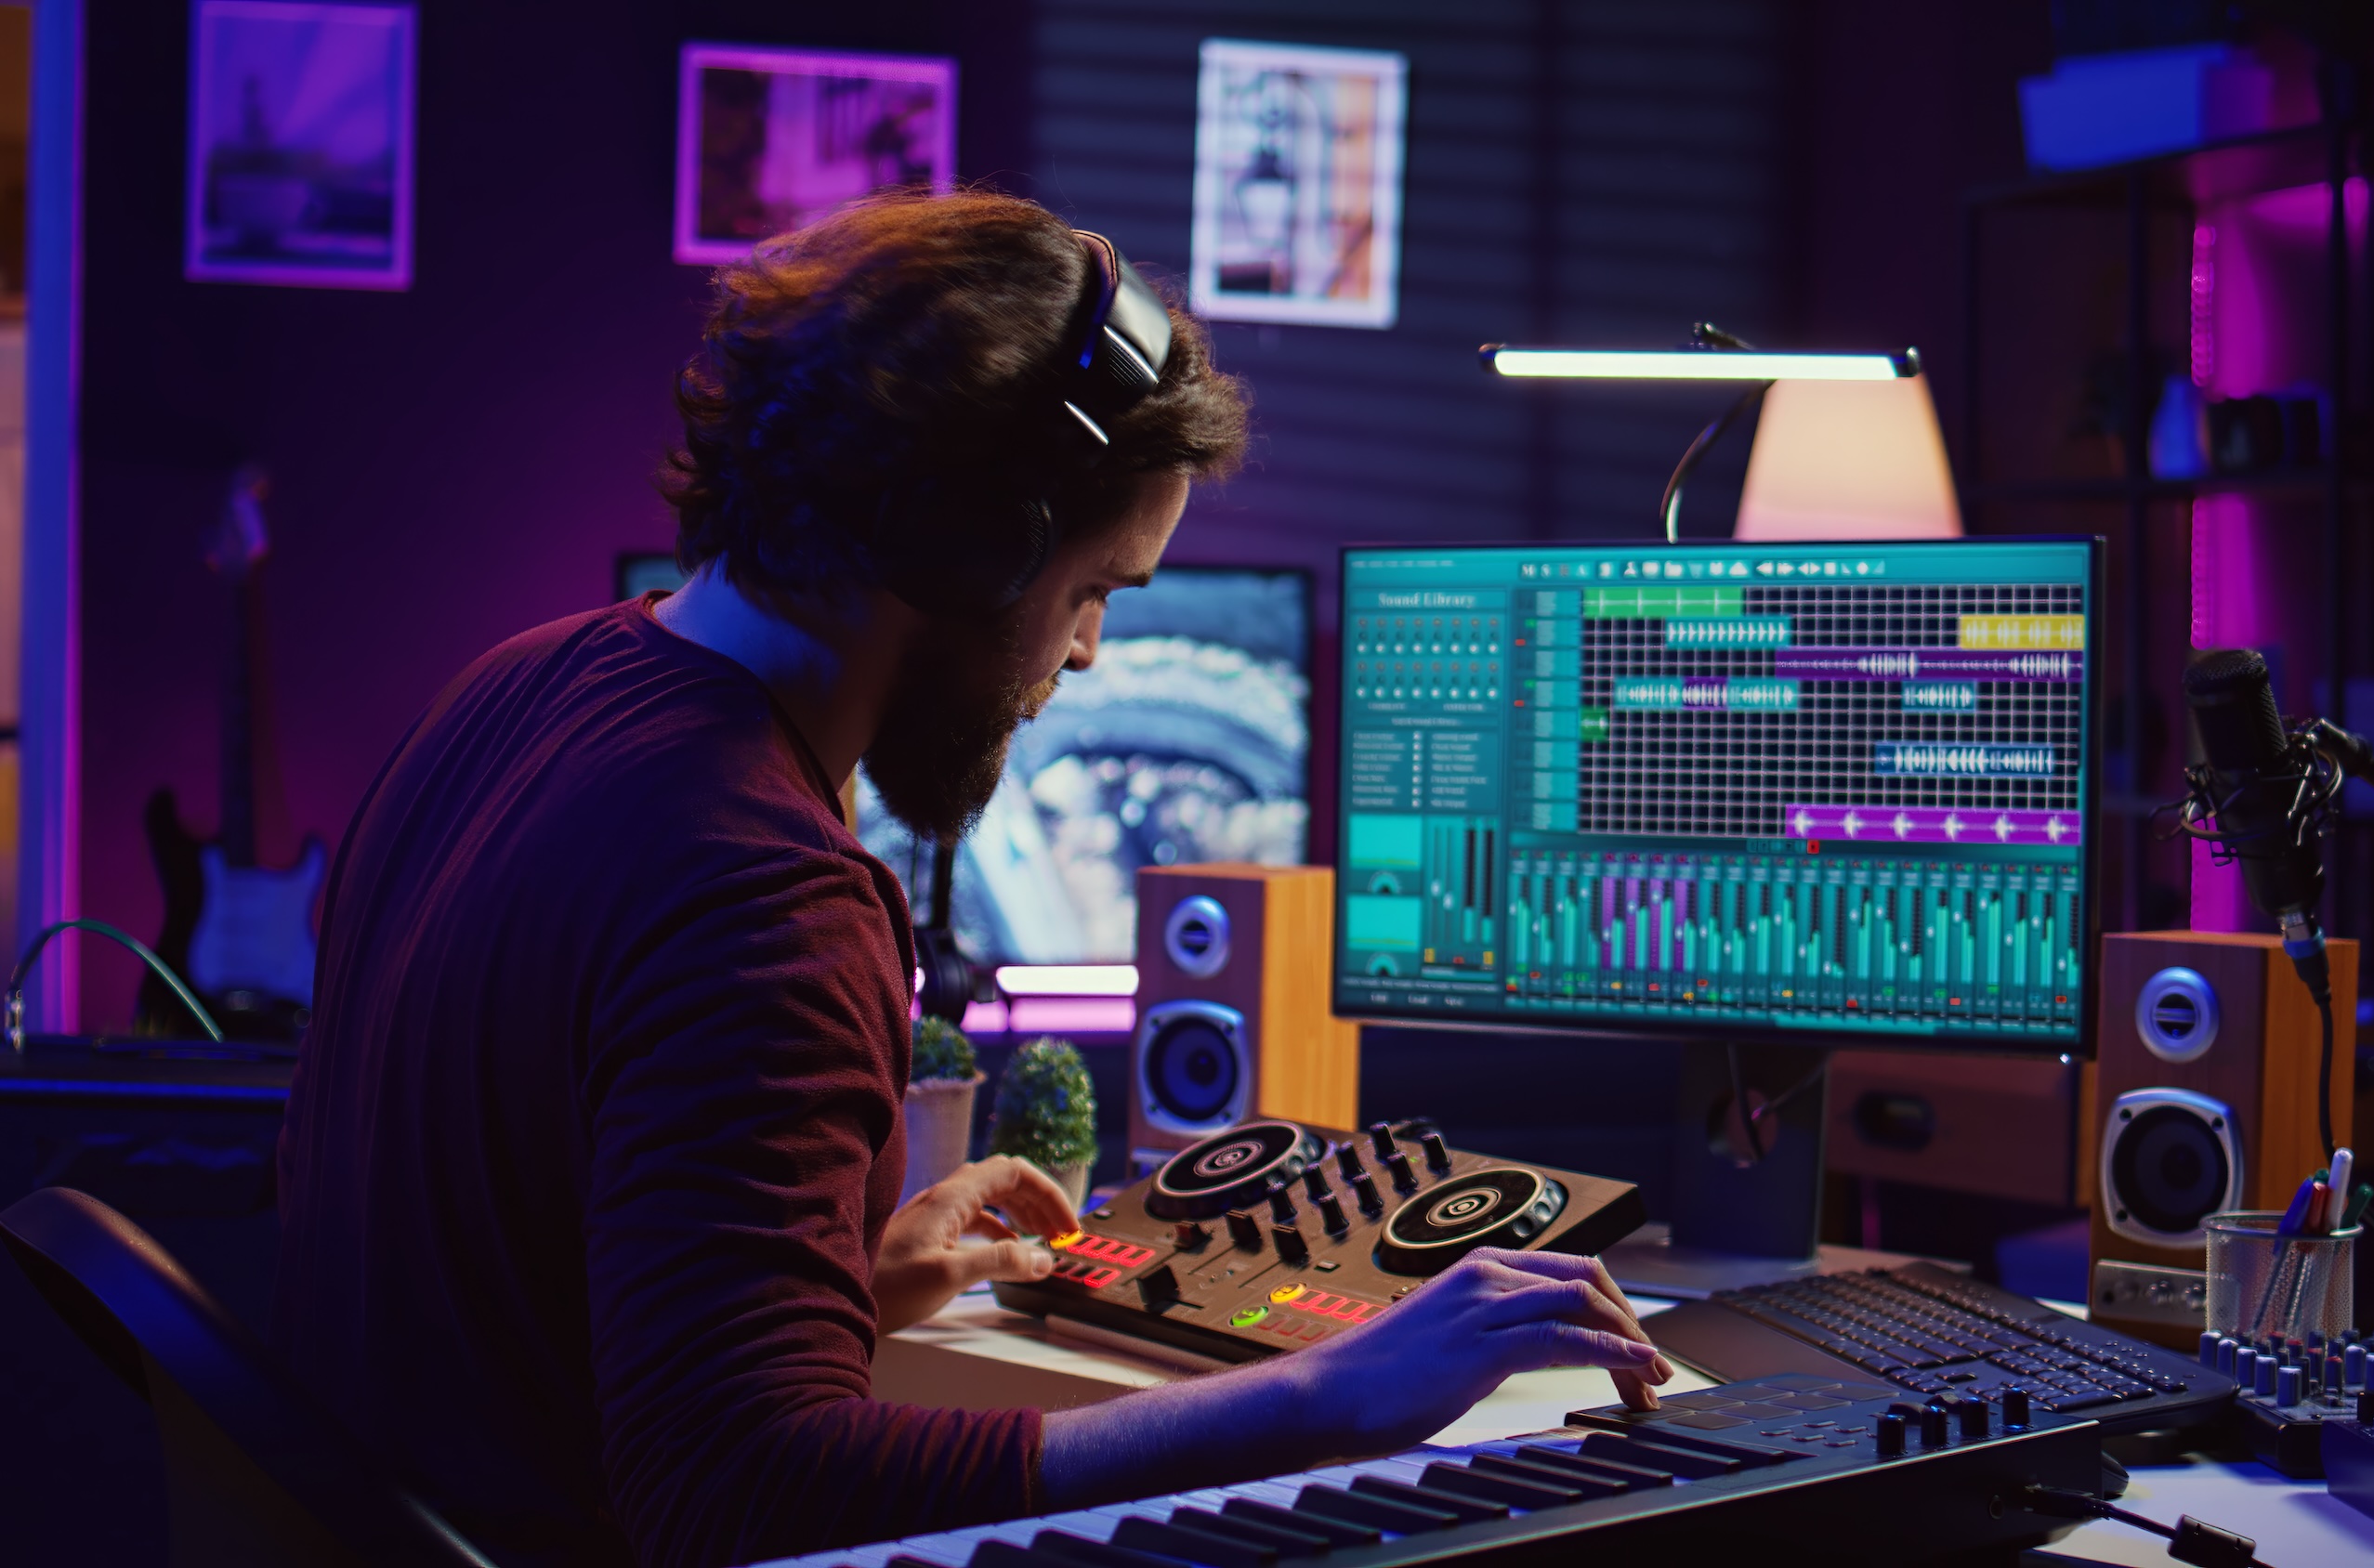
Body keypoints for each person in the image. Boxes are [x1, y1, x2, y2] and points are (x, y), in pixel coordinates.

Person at [273, 189, 1670, 1568]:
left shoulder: (514, 685)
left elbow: (491, 1276)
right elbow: (737, 1495)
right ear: (968, 547)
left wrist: (838, 1286)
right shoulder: (764, 897)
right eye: (1093, 592)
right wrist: (1324, 1395)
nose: (1086, 659)